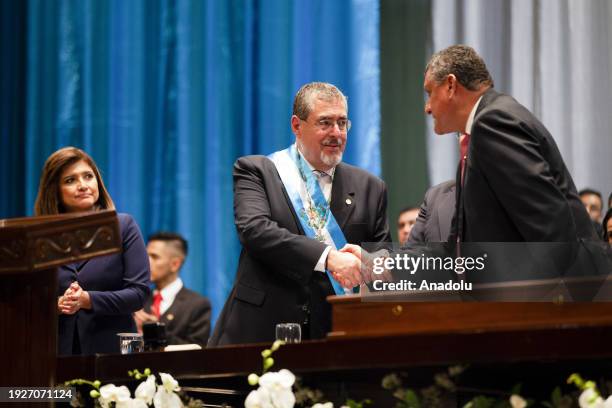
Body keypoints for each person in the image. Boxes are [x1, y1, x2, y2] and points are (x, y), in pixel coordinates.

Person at [209, 82, 391, 346]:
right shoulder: (257, 170)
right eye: (325, 123)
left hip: (335, 334)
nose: (336, 133)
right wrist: (328, 258)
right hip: (262, 329)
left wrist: (371, 261)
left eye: (342, 123)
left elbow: (382, 253)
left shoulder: (370, 186)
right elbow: (256, 231)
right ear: (297, 125)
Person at [423, 45, 597, 243]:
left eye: (429, 93)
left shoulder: (493, 122)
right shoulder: (484, 126)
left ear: (451, 85)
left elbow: (548, 222)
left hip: (552, 273)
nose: (427, 108)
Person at [34, 146, 151, 355]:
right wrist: (58, 304)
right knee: (26, 390)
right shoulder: (40, 237)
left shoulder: (123, 226)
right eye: (70, 180)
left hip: (121, 353)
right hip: (56, 353)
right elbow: (27, 303)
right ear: (56, 192)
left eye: (88, 176)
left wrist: (87, 299)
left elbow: (139, 294)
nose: (83, 185)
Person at [134, 232, 211, 346]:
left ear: (175, 264)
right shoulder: (139, 300)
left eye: (154, 257)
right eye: (146, 256)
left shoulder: (197, 305)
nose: (146, 262)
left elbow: (197, 351)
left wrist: (156, 330)